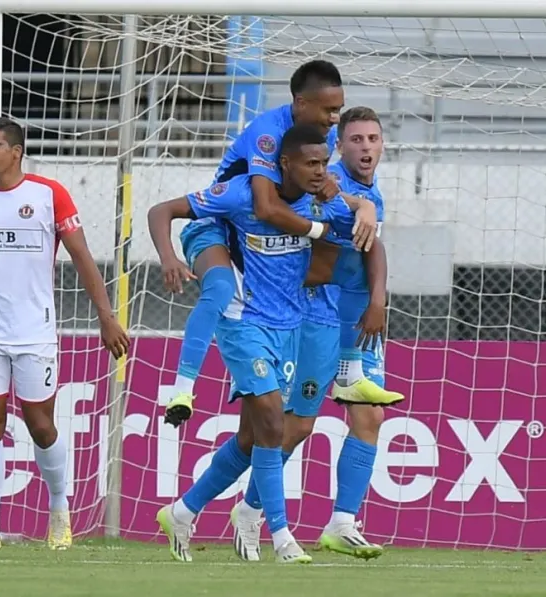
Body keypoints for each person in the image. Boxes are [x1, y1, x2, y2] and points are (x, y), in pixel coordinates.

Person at [154, 124, 386, 564]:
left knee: (267, 433)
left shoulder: (327, 197)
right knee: (271, 419)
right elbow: (170, 210)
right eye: (314, 164)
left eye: (323, 164)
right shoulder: (247, 192)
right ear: (284, 164)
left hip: (295, 324)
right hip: (248, 319)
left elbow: (369, 247)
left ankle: (185, 511)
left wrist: (364, 213)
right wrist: (177, 256)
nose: (322, 172)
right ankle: (277, 533)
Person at [0, 117, 129, 551]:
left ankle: (60, 510)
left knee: (40, 425)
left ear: (16, 152)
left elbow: (82, 257)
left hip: (34, 332)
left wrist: (105, 316)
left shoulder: (47, 195)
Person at [154, 60, 393, 429]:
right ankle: (182, 388)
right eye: (330, 110)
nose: (335, 119)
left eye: (338, 110)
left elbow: (322, 186)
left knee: (357, 255)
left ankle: (351, 371)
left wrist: (361, 205)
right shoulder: (268, 133)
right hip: (220, 225)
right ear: (300, 103)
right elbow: (264, 207)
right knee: (218, 288)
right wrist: (317, 230)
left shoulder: (323, 137)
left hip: (260, 241)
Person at [233, 107, 391, 560]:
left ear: (382, 145)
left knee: (369, 416)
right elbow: (323, 238)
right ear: (340, 145)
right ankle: (250, 510)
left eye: (372, 139)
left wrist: (377, 301)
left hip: (356, 319)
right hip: (316, 318)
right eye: (356, 139)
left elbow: (370, 249)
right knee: (296, 426)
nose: (365, 147)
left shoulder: (371, 191)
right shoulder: (326, 181)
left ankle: (343, 521)